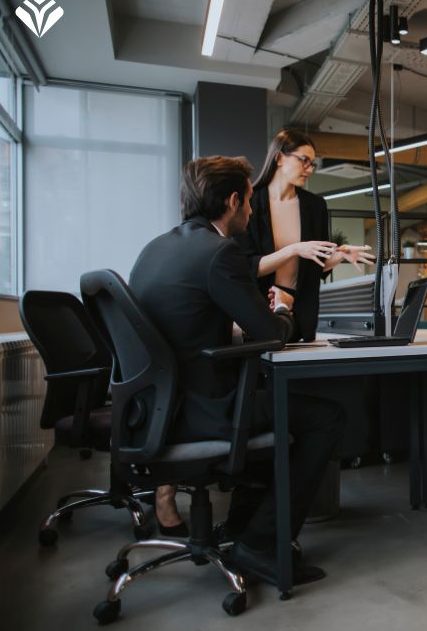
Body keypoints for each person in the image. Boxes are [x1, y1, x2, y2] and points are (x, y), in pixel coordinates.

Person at [129, 155, 344, 584]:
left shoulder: (156, 248)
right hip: (196, 410)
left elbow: (187, 322)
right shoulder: (219, 252)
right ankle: (262, 545)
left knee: (277, 408)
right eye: (248, 201)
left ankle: (246, 531)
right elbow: (270, 334)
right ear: (231, 201)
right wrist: (284, 306)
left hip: (151, 409)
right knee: (325, 417)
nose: (251, 209)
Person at [236, 129, 374, 342]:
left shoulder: (315, 206)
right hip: (261, 311)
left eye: (312, 163)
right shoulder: (250, 203)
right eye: (304, 160)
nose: (309, 169)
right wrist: (294, 249)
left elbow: (314, 267)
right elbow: (249, 267)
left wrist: (339, 255)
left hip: (302, 313)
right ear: (280, 157)